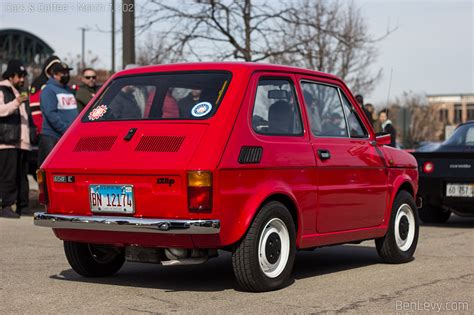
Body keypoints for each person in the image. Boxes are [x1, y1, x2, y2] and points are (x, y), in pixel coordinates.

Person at [0, 60, 33, 218]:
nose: (22, 79)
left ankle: (23, 206)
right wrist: (16, 102)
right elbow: (1, 111)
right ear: (10, 75)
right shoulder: (2, 90)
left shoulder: (20, 91)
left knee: (22, 177)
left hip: (22, 142)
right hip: (7, 141)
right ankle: (6, 206)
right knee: (9, 176)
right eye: (19, 76)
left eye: (23, 76)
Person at [38, 62, 78, 166]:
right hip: (52, 137)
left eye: (67, 72)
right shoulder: (48, 90)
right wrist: (65, 129)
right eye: (63, 73)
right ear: (54, 74)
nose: (66, 75)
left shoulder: (69, 90)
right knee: (50, 169)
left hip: (68, 136)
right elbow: (50, 114)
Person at [29, 56, 61, 134]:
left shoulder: (57, 84)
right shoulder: (39, 84)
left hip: (56, 130)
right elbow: (35, 110)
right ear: (48, 69)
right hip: (45, 132)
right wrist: (41, 129)